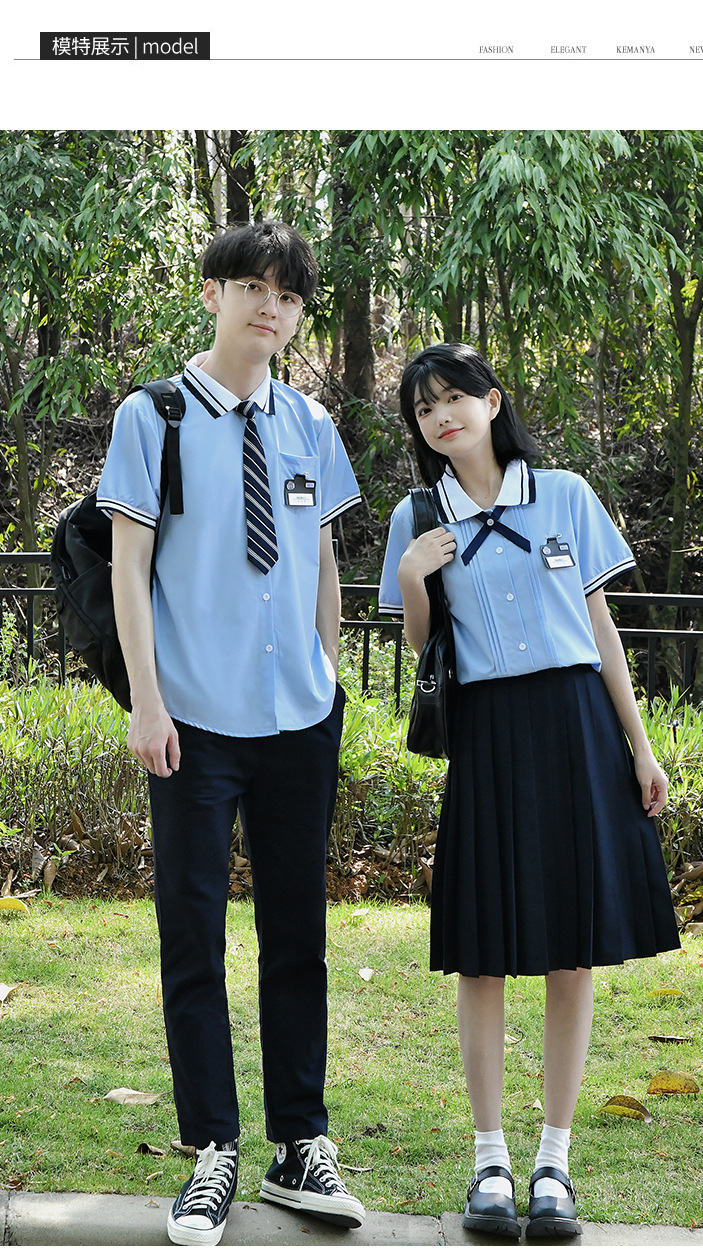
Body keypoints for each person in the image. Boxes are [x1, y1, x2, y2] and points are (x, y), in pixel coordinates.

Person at [97, 221, 365, 1246]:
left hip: (299, 718)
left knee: (298, 934)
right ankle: (213, 1148)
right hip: (193, 722)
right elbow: (129, 567)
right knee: (193, 934)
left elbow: (324, 562)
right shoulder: (153, 416)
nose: (272, 308)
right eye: (253, 287)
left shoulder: (310, 423)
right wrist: (146, 700)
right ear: (213, 293)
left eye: (289, 296)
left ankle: (302, 1142)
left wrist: (327, 677)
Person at [379, 342, 680, 1241]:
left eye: (454, 397)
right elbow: (424, 650)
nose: (442, 416)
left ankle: (554, 1158)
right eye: (424, 408)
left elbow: (601, 627)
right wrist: (412, 575)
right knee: (482, 950)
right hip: (487, 733)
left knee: (569, 947)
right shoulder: (416, 517)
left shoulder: (566, 496)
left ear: (492, 401)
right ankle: (490, 1160)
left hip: (575, 725)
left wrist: (640, 749)